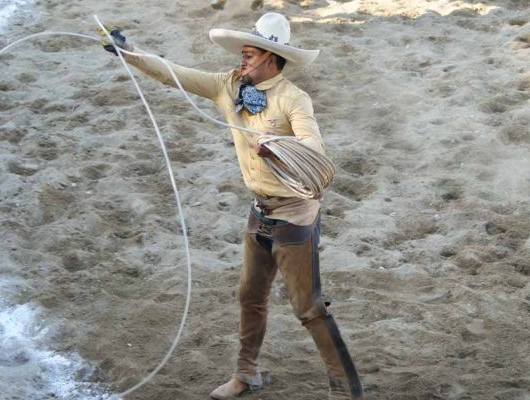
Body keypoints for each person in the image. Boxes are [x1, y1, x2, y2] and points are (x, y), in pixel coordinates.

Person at [101, 12, 364, 400]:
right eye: (243, 54)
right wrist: (130, 54)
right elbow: (175, 73)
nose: (242, 61)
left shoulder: (293, 98)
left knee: (308, 308)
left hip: (294, 217)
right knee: (249, 296)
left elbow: (313, 145)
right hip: (259, 213)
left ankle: (346, 389)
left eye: (249, 55)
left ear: (271, 58)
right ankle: (246, 373)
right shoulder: (227, 85)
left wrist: (277, 146)